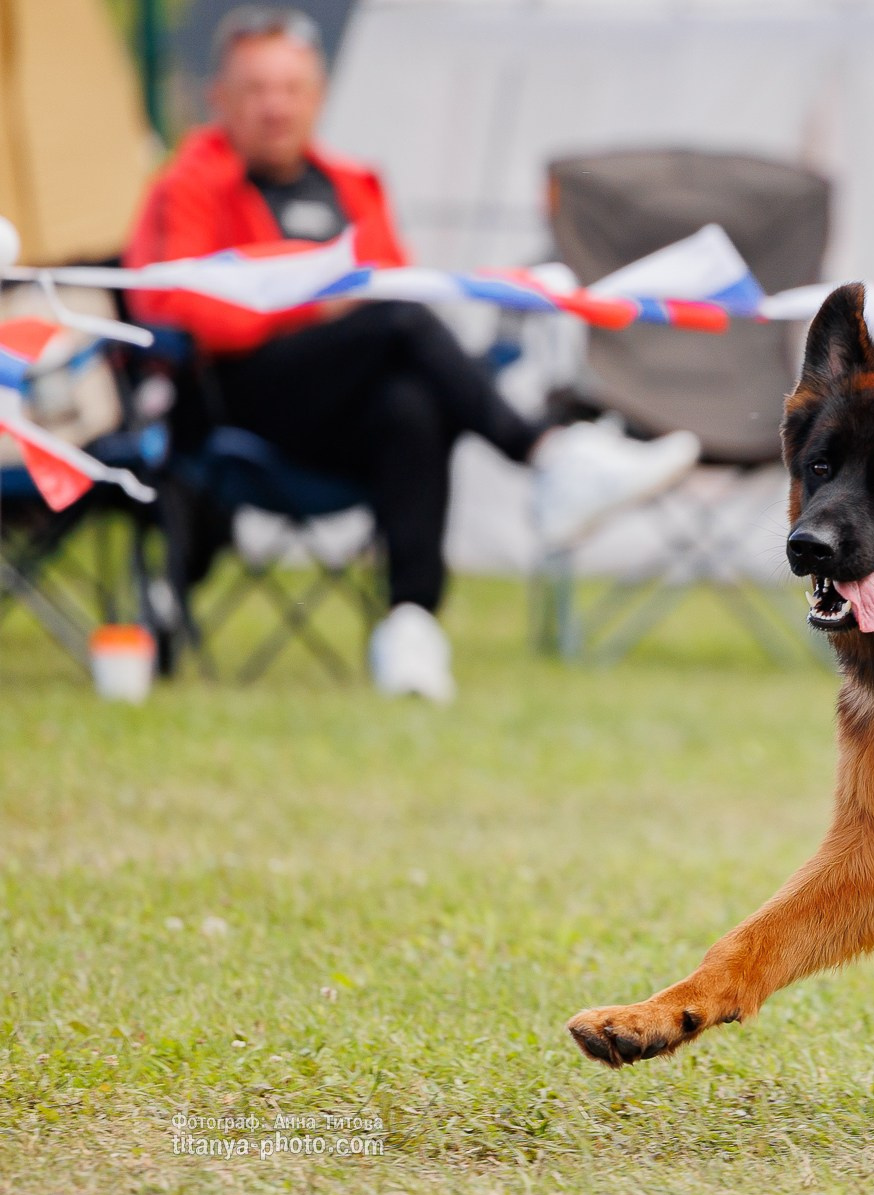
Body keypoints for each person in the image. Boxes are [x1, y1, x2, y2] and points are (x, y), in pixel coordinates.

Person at [125, 6, 697, 703]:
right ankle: (546, 455)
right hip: (235, 403)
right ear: (220, 99)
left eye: (290, 89)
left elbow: (395, 277)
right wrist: (310, 301)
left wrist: (336, 305)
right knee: (399, 323)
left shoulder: (353, 183)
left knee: (413, 402)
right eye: (255, 89)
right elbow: (171, 307)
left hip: (342, 414)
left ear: (318, 96)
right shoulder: (186, 185)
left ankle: (411, 625)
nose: (275, 107)